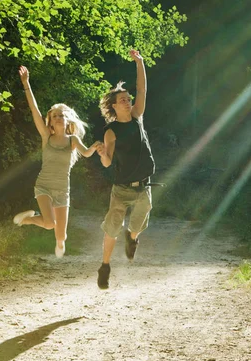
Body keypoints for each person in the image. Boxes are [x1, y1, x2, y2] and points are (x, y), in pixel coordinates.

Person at [13, 65, 101, 258]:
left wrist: (95, 147)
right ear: (50, 122)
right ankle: (26, 220)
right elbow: (35, 111)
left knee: (61, 236)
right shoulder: (47, 137)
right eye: (55, 116)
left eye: (62, 115)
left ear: (67, 119)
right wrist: (26, 84)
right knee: (49, 223)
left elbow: (86, 154)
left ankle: (57, 239)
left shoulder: (73, 140)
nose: (59, 118)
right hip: (44, 186)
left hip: (63, 190)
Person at [95, 49, 155, 289]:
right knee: (113, 227)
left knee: (137, 225)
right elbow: (108, 162)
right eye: (123, 99)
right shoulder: (111, 131)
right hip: (121, 189)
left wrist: (139, 63)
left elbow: (142, 90)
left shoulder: (137, 116)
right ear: (114, 105)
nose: (128, 100)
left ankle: (132, 239)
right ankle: (105, 266)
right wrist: (102, 154)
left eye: (128, 98)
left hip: (143, 187)